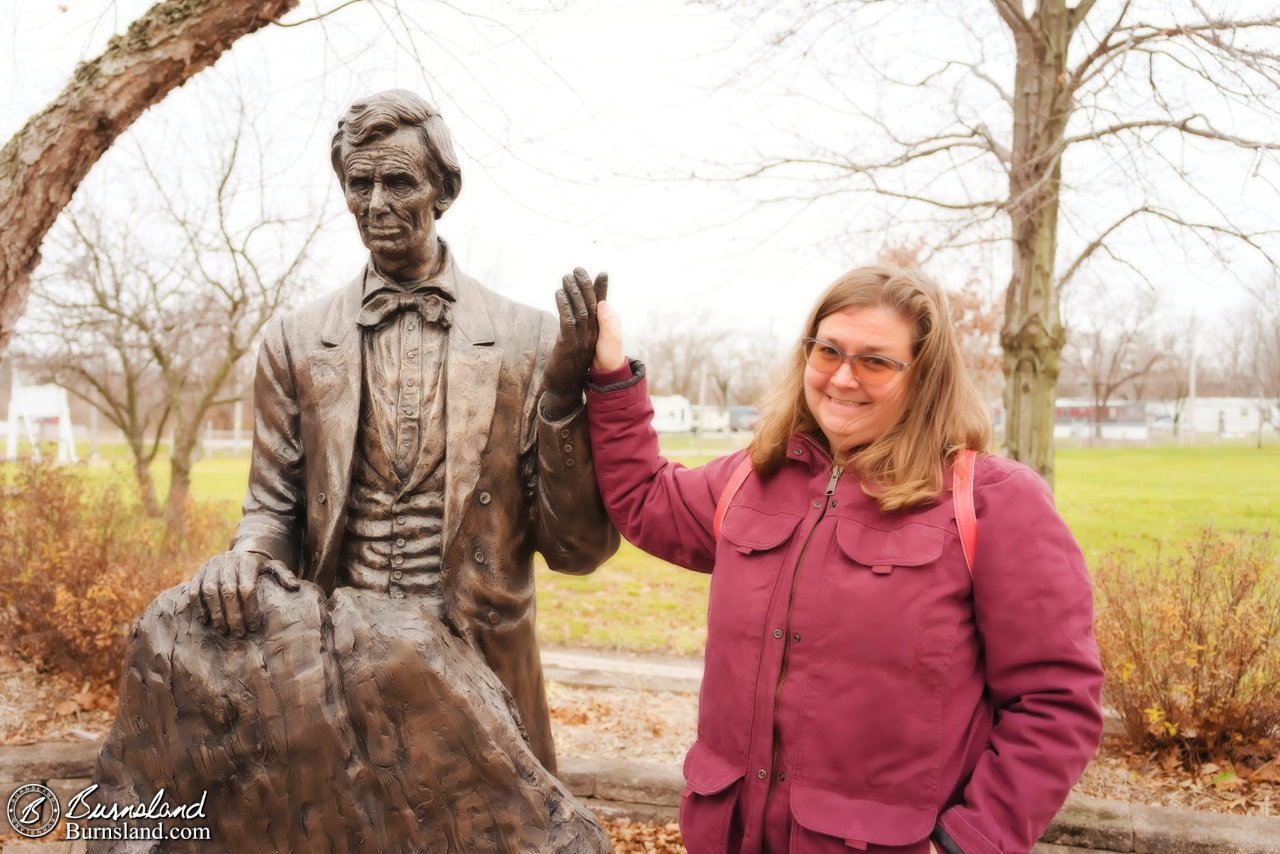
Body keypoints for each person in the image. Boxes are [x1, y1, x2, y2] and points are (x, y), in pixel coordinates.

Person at [576, 265, 1104, 854]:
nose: (843, 377)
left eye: (875, 361)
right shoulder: (752, 477)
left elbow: (1056, 701)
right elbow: (644, 497)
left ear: (924, 376)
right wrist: (611, 374)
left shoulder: (991, 502)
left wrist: (969, 842)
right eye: (828, 351)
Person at [190, 90, 618, 772]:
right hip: (339, 667)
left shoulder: (530, 342)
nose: (376, 204)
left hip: (481, 669)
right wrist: (246, 558)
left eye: (398, 181)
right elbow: (272, 508)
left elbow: (579, 550)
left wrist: (564, 398)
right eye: (359, 184)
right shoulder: (295, 343)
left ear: (444, 190)